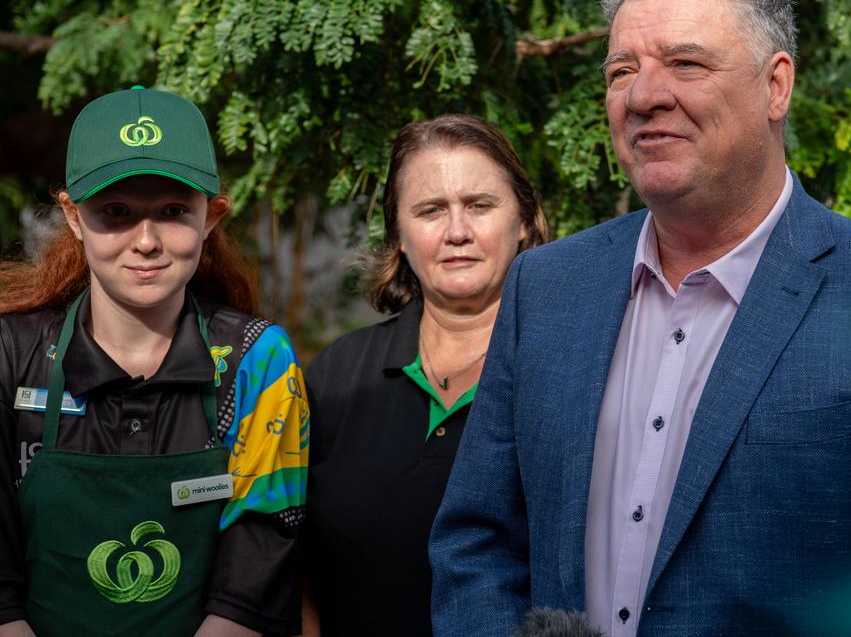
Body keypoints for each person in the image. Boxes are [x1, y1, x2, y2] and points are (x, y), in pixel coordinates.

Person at [429, 0, 851, 637]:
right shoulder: (546, 288)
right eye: (621, 72)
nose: (645, 95)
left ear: (776, 85)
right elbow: (476, 545)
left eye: (686, 63)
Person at [0, 86, 309, 637]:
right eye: (115, 212)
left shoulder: (258, 360)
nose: (146, 241)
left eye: (172, 212)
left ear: (210, 217)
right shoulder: (9, 353)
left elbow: (258, 567)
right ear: (73, 216)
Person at [302, 114, 549, 636]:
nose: (457, 231)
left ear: (523, 221)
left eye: (479, 206)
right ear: (399, 234)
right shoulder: (336, 380)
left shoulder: (573, 370)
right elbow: (290, 562)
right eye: (430, 210)